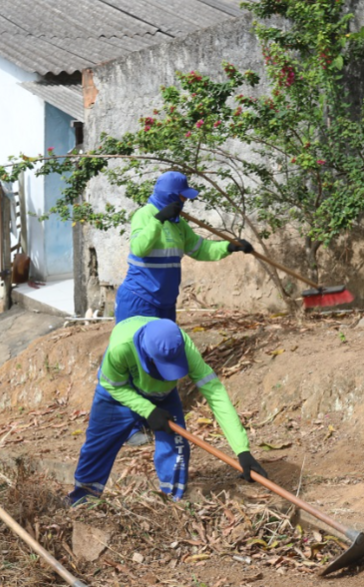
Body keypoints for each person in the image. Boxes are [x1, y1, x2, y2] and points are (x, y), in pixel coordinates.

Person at [68, 316, 268, 506]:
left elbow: (215, 393)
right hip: (117, 391)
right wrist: (147, 410)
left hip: (162, 395)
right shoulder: (121, 348)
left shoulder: (183, 346)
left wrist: (242, 450)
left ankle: (172, 504)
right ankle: (83, 501)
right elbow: (111, 385)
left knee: (176, 448)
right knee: (98, 446)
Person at [113, 171, 254, 323]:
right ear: (170, 196)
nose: (186, 200)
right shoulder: (144, 215)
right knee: (131, 346)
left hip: (165, 302)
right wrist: (159, 219)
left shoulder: (179, 223)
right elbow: (139, 248)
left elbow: (200, 249)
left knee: (166, 346)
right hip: (140, 298)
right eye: (183, 196)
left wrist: (230, 246)